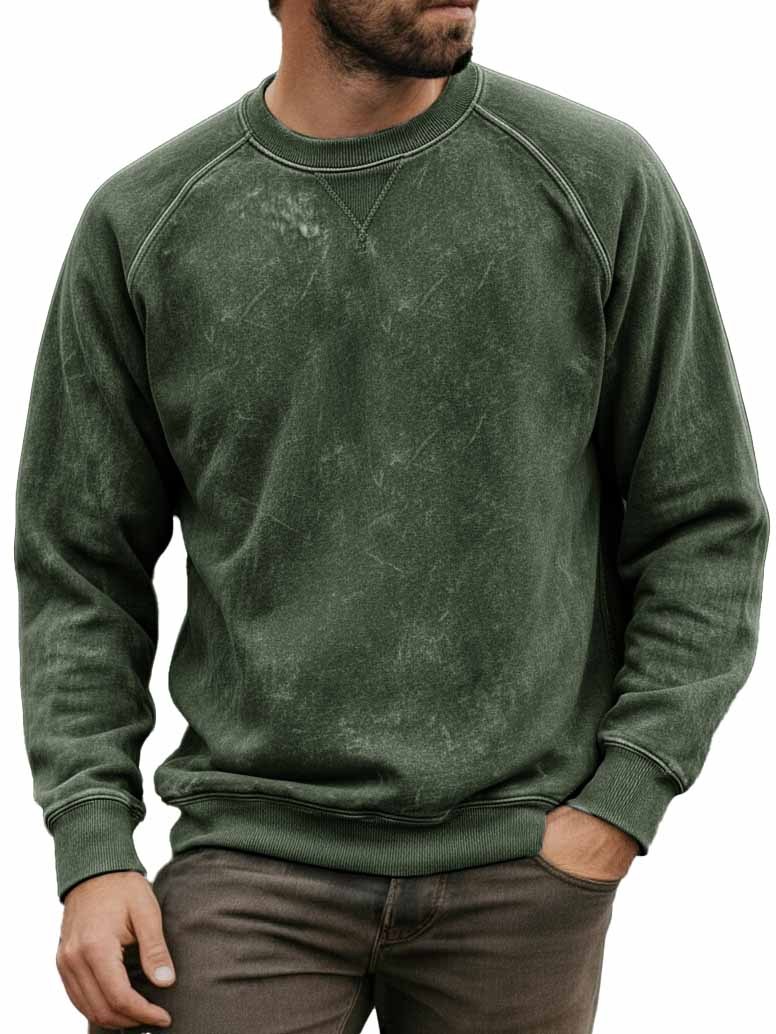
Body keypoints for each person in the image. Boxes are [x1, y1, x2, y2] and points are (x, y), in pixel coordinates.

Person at [15, 1, 769, 1031]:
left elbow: (705, 519)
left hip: (521, 872)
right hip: (248, 857)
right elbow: (78, 563)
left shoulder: (597, 180)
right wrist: (93, 846)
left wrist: (623, 801)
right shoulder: (148, 222)